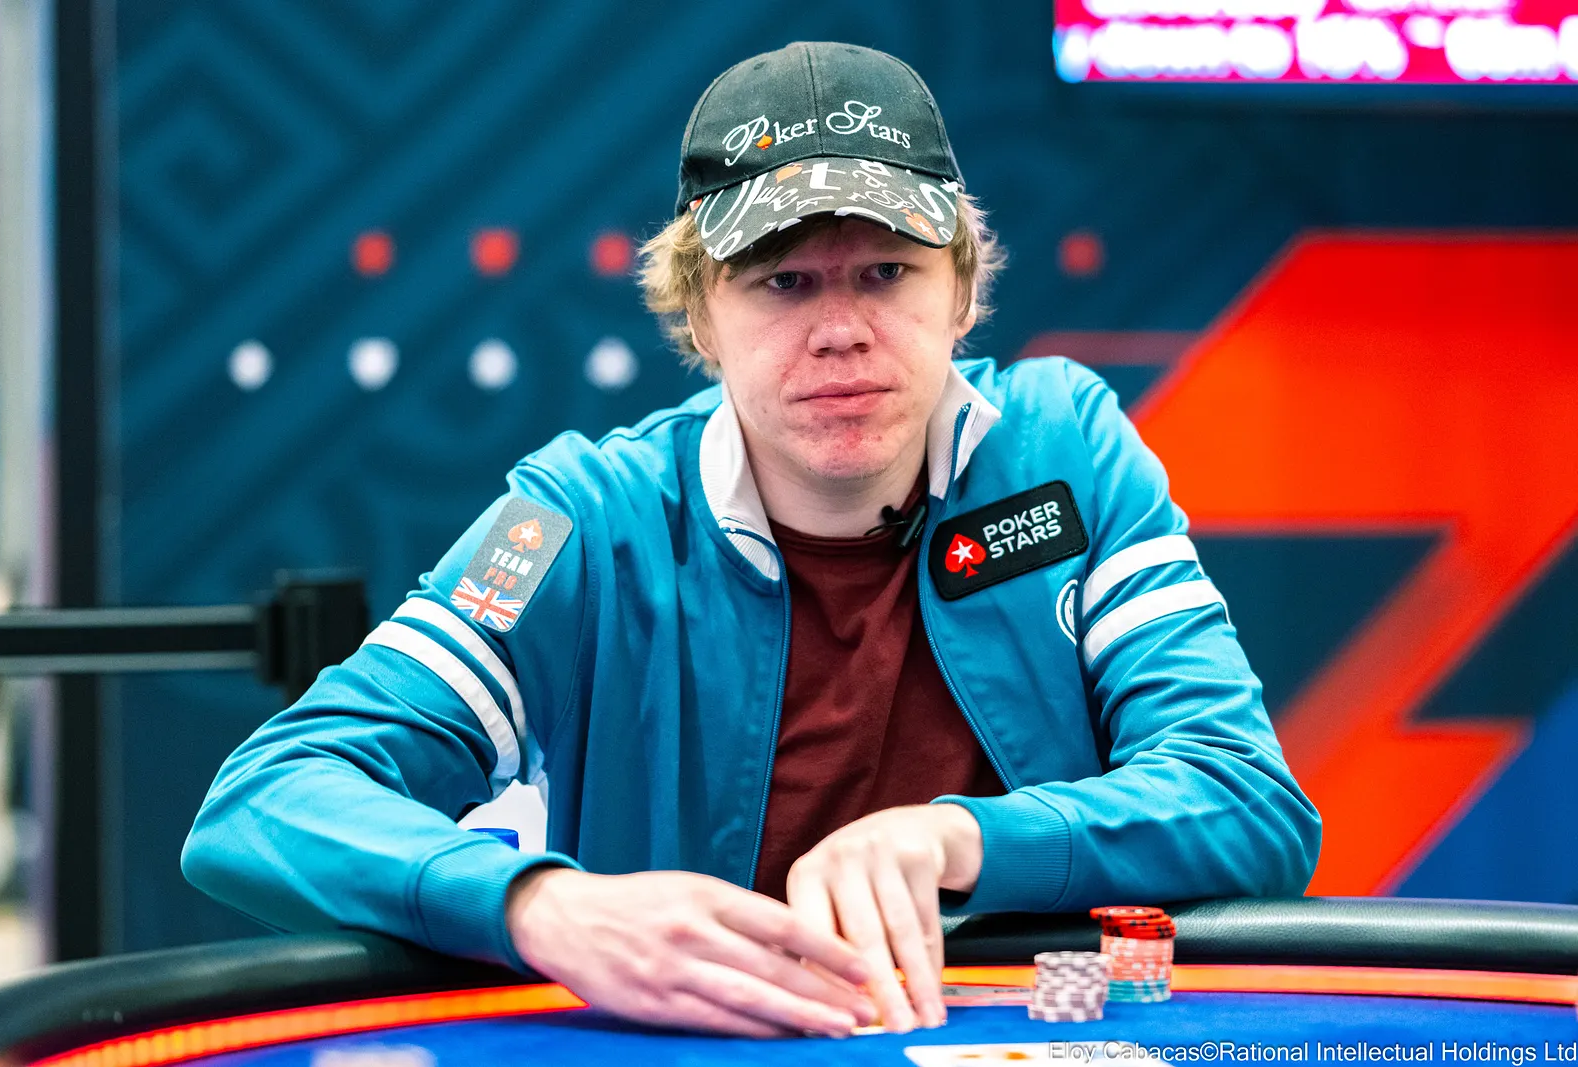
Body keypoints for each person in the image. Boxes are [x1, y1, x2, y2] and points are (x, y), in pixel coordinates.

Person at [184, 41, 1320, 1041]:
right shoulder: (580, 517)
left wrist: (957, 839)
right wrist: (539, 904)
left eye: (886, 271)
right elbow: (272, 794)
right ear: (698, 313)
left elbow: (1242, 797)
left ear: (961, 291)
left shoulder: (1063, 449)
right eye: (782, 282)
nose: (840, 329)